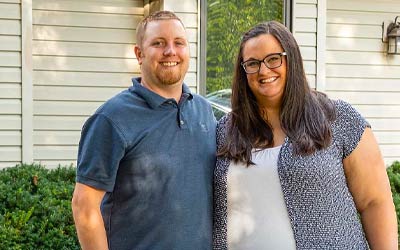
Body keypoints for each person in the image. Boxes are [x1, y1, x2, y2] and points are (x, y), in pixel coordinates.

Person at [213, 21, 397, 250]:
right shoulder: (226, 131)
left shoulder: (338, 119)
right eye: (252, 63)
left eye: (273, 59)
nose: (263, 70)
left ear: (291, 60)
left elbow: (374, 202)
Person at [72, 11, 216, 250]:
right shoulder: (111, 118)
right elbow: (84, 206)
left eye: (179, 43)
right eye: (158, 43)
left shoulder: (203, 111)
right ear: (139, 54)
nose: (170, 51)